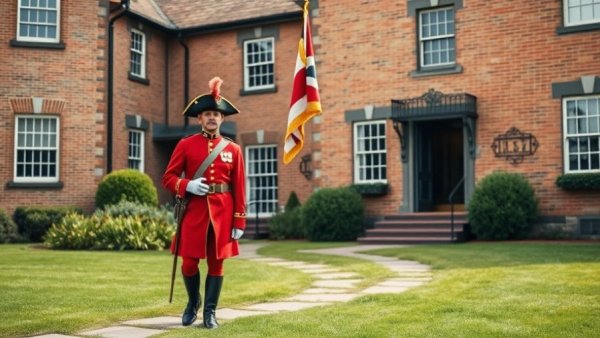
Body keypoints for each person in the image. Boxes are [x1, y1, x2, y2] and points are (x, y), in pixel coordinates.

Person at [162, 77, 246, 329]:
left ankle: (210, 312)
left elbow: (240, 186)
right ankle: (192, 303)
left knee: (216, 263)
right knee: (189, 262)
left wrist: (239, 219)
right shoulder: (186, 145)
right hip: (194, 211)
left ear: (222, 119)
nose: (212, 118)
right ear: (199, 118)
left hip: (223, 213)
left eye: (216, 114)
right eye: (207, 114)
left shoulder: (234, 149)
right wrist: (187, 185)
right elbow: (168, 178)